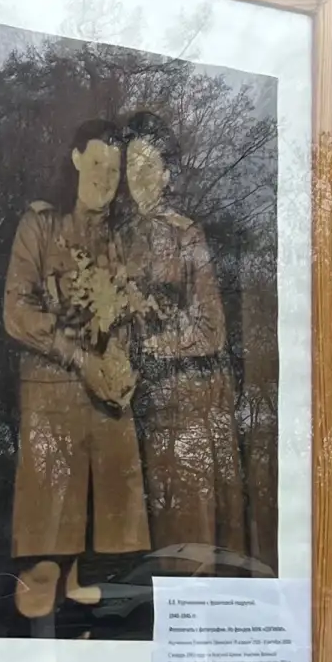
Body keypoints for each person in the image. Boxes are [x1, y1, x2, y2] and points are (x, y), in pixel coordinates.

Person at [0, 119, 150, 621]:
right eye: (98, 162)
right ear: (76, 159)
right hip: (53, 406)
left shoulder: (124, 241)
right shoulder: (40, 226)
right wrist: (79, 357)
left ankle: (88, 651)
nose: (105, 176)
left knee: (104, 571)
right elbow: (16, 313)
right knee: (43, 569)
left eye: (115, 169)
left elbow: (132, 320)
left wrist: (124, 365)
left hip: (108, 410)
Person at [118, 110, 244, 567]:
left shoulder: (186, 235)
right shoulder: (116, 238)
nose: (139, 177)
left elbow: (212, 328)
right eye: (131, 165)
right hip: (129, 412)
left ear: (167, 175)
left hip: (184, 410)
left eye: (149, 166)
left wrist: (156, 346)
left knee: (185, 543)